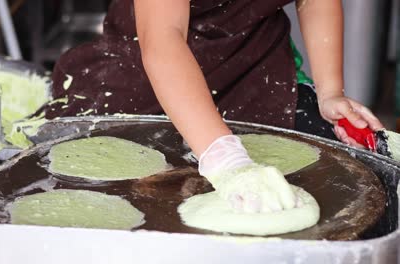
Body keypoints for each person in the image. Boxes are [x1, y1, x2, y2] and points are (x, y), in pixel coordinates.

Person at [43, 0, 384, 213]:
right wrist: (226, 159)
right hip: (147, 78)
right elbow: (163, 39)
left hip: (255, 65)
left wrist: (330, 91)